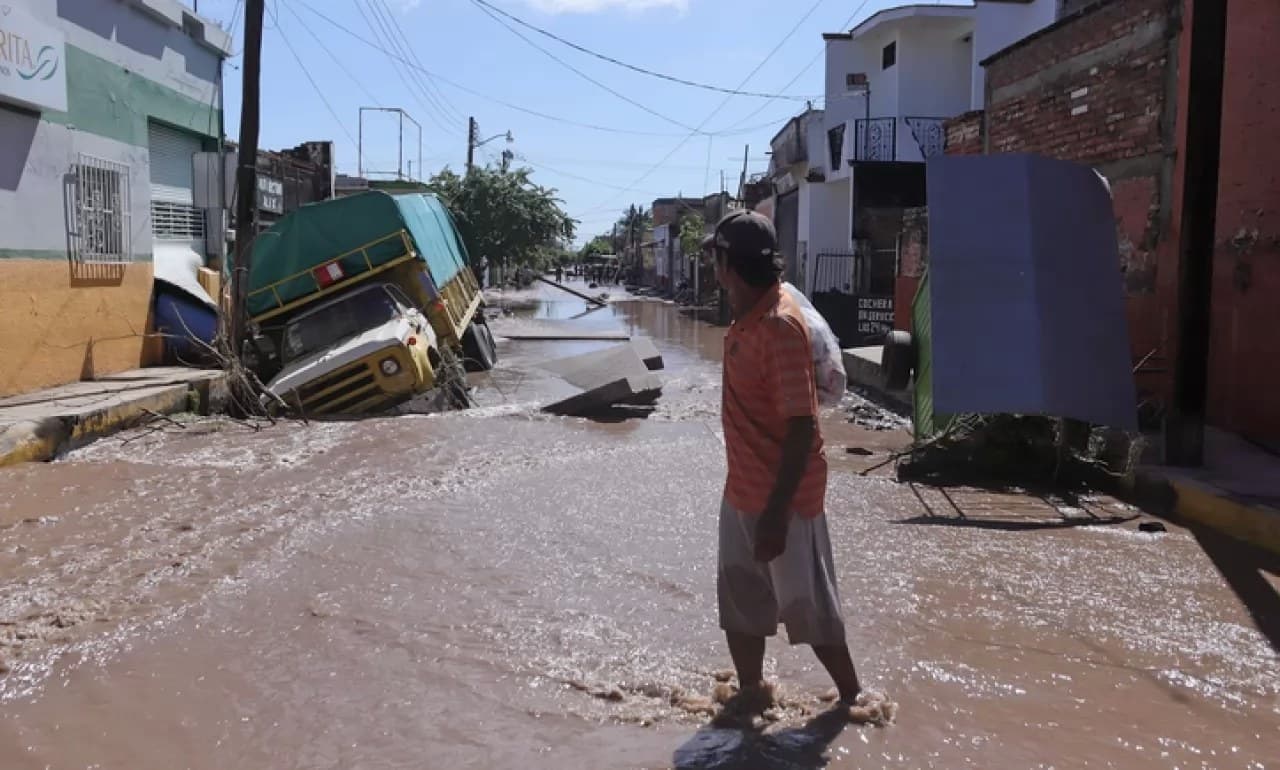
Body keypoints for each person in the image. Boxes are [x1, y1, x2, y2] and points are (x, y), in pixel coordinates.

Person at [708, 210, 862, 717]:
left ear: (727, 262)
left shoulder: (777, 326)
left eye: (715, 256)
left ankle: (854, 701)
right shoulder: (746, 313)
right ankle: (750, 697)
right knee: (741, 605)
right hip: (743, 491)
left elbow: (803, 428)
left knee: (811, 610)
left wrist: (776, 514)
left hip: (783, 501)